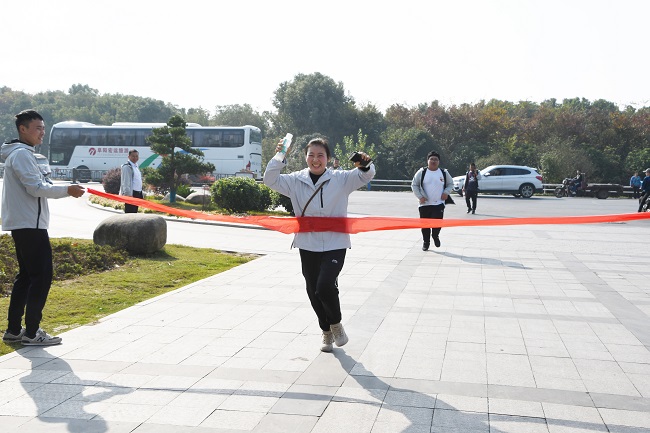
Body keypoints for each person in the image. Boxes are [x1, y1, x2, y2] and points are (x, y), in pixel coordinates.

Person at [264, 137, 375, 352]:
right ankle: (326, 331)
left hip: (335, 242)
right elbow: (270, 179)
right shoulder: (295, 180)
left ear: (328, 158)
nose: (316, 160)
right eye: (311, 155)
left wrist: (365, 163)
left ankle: (336, 325)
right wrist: (279, 156)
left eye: (320, 155)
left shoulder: (341, 179)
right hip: (308, 244)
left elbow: (366, 174)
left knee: (325, 286)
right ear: (305, 157)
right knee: (313, 290)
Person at [1, 109, 86, 346]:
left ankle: (14, 330)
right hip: (29, 225)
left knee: (27, 277)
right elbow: (36, 188)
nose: (42, 133)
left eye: (43, 128)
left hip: (26, 224)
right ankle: (32, 332)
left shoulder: (23, 154)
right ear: (23, 129)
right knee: (41, 277)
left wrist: (66, 188)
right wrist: (67, 190)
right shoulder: (21, 155)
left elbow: (40, 184)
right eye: (37, 128)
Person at [411, 151, 454, 251]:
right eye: (431, 159)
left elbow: (450, 184)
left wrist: (446, 192)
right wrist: (420, 197)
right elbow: (414, 185)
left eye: (436, 159)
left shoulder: (444, 172)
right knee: (425, 225)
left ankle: (435, 236)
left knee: (437, 224)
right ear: (428, 160)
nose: (433, 161)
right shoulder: (422, 172)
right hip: (424, 204)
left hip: (439, 204)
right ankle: (426, 242)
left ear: (439, 161)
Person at [119, 149, 143, 213]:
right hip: (131, 194)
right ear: (129, 157)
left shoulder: (136, 166)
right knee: (129, 214)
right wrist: (127, 195)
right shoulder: (127, 167)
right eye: (133, 156)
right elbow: (125, 182)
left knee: (134, 213)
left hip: (137, 193)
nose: (135, 158)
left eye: (136, 156)